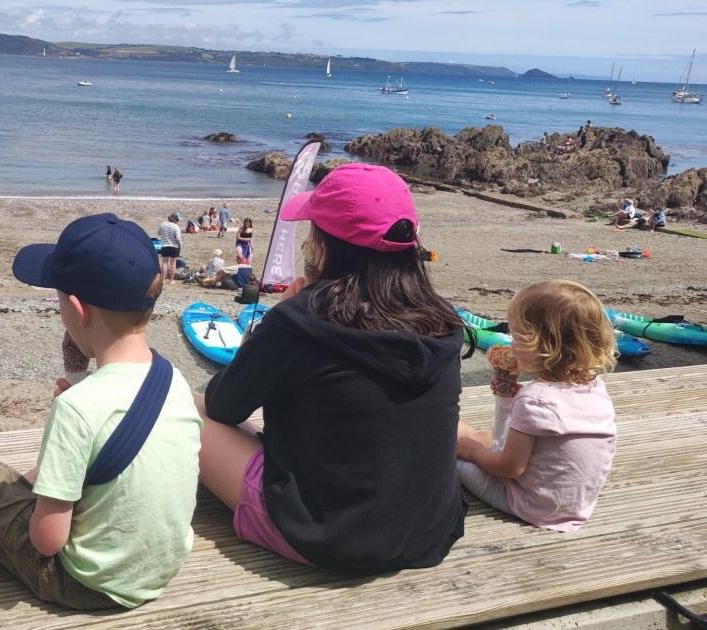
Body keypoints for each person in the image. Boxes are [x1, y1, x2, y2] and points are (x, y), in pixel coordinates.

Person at [0, 213, 202, 609]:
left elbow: (47, 541)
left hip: (83, 582)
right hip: (154, 570)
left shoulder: (77, 408)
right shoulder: (173, 381)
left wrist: (64, 424)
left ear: (78, 310)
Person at [195, 163, 467, 573]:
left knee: (188, 407)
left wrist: (277, 319)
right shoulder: (441, 320)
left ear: (324, 246)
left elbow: (224, 404)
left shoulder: (302, 321)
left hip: (329, 534)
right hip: (428, 528)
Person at [456, 280, 617, 532]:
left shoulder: (535, 399)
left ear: (539, 345)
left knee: (455, 457)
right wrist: (508, 397)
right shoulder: (595, 388)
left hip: (530, 504)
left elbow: (510, 468)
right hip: (575, 502)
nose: (510, 344)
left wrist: (473, 453)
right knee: (479, 437)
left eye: (515, 336)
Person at [157, 213, 182, 284]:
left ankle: (162, 280)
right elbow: (178, 238)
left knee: (164, 263)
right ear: (175, 220)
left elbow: (159, 233)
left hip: (164, 245)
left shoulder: (162, 224)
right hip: (174, 246)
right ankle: (171, 280)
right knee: (173, 263)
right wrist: (180, 244)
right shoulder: (176, 226)